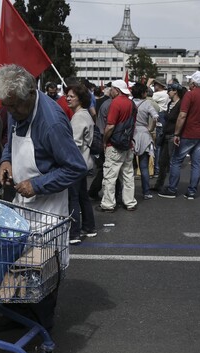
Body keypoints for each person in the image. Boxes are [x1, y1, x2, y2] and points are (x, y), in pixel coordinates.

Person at [0, 64, 87, 332]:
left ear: (31, 93)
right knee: (18, 260)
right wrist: (6, 161)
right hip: (24, 201)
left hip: (48, 206)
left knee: (44, 269)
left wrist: (39, 184)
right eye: (7, 106)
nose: (10, 112)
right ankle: (16, 315)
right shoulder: (14, 108)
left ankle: (43, 326)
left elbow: (76, 168)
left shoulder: (52, 122)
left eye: (15, 106)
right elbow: (11, 140)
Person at [158, 71, 200, 200]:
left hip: (188, 133)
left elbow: (182, 115)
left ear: (193, 83)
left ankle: (172, 189)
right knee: (197, 164)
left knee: (176, 161)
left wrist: (176, 133)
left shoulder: (190, 95)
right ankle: (191, 191)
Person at [97, 79, 138, 212]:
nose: (110, 91)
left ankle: (108, 204)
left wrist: (104, 141)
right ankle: (130, 202)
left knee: (110, 176)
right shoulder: (132, 104)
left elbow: (110, 126)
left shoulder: (115, 103)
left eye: (112, 89)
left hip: (114, 144)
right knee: (128, 175)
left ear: (117, 90)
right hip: (127, 144)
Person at [66, 83, 97, 245]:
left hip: (76, 164)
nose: (68, 98)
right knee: (83, 196)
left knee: (73, 198)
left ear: (81, 99)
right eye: (67, 95)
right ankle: (89, 227)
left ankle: (74, 233)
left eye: (72, 96)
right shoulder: (85, 115)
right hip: (85, 163)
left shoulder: (78, 117)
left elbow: (74, 144)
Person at [152, 83, 186, 192]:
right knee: (162, 162)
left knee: (173, 162)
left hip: (173, 135)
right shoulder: (171, 103)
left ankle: (172, 186)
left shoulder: (181, 103)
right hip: (166, 134)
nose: (167, 92)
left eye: (169, 90)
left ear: (175, 91)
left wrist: (178, 134)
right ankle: (159, 185)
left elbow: (180, 118)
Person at [131, 83, 158, 200]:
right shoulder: (147, 103)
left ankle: (126, 191)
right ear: (143, 93)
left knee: (128, 167)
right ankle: (146, 192)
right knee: (144, 167)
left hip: (131, 134)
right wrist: (151, 128)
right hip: (144, 134)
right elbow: (156, 116)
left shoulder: (129, 103)